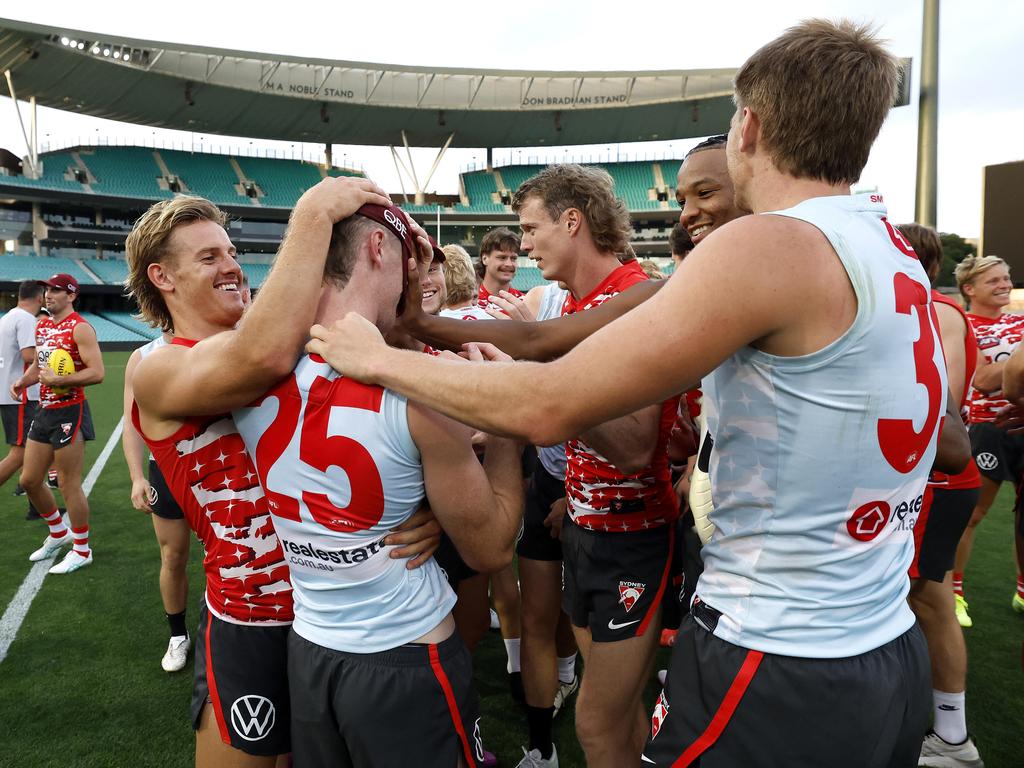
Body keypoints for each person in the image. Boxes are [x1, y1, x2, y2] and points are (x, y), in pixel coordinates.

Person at [311, 19, 944, 767]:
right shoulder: (890, 246)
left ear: (749, 126)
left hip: (780, 650)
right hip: (880, 639)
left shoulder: (771, 242)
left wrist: (375, 358)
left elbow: (548, 402)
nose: (691, 210)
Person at [127, 180, 440, 768]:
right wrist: (315, 211)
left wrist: (397, 265)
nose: (232, 267)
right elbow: (257, 357)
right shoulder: (159, 368)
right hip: (249, 615)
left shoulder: (296, 344)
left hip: (330, 620)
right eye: (208, 256)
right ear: (162, 278)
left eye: (231, 252)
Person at [233, 203, 525, 768]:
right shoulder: (419, 394)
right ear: (376, 249)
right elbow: (489, 547)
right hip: (407, 653)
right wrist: (505, 427)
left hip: (311, 643)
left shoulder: (241, 371)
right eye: (408, 259)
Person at [899, 224, 985, 768]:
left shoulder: (937, 310)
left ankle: (952, 737)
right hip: (923, 476)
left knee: (930, 600)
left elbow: (943, 399)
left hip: (938, 476)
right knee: (920, 600)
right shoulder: (923, 307)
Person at [13, 273, 104, 574]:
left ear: (71, 295)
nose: (48, 295)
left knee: (68, 483)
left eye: (56, 290)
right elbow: (39, 367)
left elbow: (97, 372)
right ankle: (58, 533)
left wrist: (61, 380)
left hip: (70, 411)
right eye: (46, 290)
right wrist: (24, 382)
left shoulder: (81, 328)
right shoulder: (41, 326)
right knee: (29, 480)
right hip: (44, 410)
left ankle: (82, 549)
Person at [952, 253, 1024, 623]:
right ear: (970, 289)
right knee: (973, 514)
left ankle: (1022, 592)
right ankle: (955, 593)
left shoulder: (1020, 321)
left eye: (1007, 278)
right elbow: (981, 379)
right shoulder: (963, 324)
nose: (1005, 285)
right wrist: (1016, 366)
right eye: (994, 280)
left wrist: (1006, 370)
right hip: (986, 429)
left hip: (1022, 425)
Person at [122, 332, 195, 672]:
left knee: (232, 554)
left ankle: (230, 628)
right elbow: (133, 424)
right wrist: (137, 476)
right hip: (166, 470)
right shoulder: (143, 356)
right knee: (173, 555)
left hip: (226, 468)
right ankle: (178, 635)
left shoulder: (227, 342)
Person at [0, 281, 44, 518]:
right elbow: (29, 355)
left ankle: (36, 506)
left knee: (33, 451)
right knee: (19, 453)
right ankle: (36, 505)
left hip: (10, 394)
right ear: (39, 298)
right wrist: (55, 351)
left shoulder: (7, 317)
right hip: (21, 395)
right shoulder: (26, 319)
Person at [477, 227, 524, 307]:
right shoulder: (469, 303)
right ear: (485, 259)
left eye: (513, 258)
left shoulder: (525, 302)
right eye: (502, 257)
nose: (509, 264)